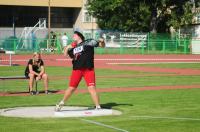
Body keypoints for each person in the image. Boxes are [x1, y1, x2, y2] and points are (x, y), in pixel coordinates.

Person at [55, 31, 105, 111]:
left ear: (79, 36)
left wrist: (102, 41)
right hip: (77, 70)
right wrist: (68, 47)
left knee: (92, 87)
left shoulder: (89, 42)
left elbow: (101, 46)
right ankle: (61, 103)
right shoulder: (73, 48)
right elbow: (65, 54)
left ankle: (98, 106)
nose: (73, 37)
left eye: (74, 35)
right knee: (71, 88)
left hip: (88, 69)